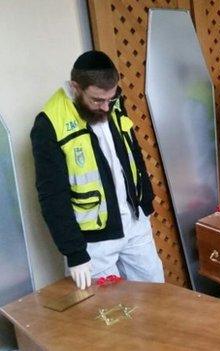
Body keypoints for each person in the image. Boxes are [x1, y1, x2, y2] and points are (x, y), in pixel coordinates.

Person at [31, 51, 164, 290]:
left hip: (135, 225)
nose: (105, 107)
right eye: (97, 100)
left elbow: (133, 154)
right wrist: (74, 252)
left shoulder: (111, 103)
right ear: (75, 87)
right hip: (94, 240)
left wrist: (146, 201)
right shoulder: (49, 124)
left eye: (110, 100)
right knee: (110, 313)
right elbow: (52, 196)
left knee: (156, 294)